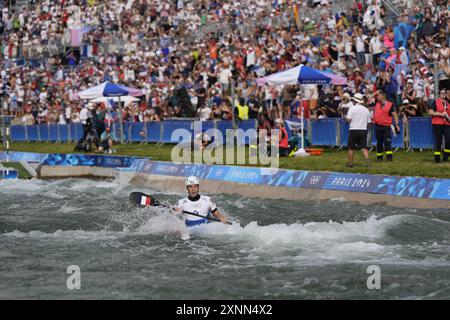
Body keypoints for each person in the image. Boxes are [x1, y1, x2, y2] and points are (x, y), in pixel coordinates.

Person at [345, 93, 371, 168]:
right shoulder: (366, 110)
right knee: (364, 147)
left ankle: (350, 163)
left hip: (353, 129)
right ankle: (368, 162)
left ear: (354, 100)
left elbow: (349, 120)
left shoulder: (352, 109)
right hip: (363, 130)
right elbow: (369, 122)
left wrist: (345, 117)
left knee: (351, 148)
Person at [373, 91, 400, 162]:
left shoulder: (390, 105)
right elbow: (369, 98)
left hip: (386, 127)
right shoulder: (377, 103)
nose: (377, 97)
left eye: (378, 95)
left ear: (382, 96)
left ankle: (389, 158)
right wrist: (376, 92)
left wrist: (397, 124)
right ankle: (379, 158)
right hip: (377, 126)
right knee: (379, 143)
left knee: (387, 142)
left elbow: (395, 115)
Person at [427, 89, 450, 163]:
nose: (443, 94)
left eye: (444, 93)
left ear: (446, 94)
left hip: (447, 124)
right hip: (437, 123)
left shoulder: (448, 104)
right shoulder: (435, 102)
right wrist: (441, 114)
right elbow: (430, 112)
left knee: (448, 140)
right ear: (439, 94)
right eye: (441, 93)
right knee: (438, 141)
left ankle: (446, 157)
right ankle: (437, 159)